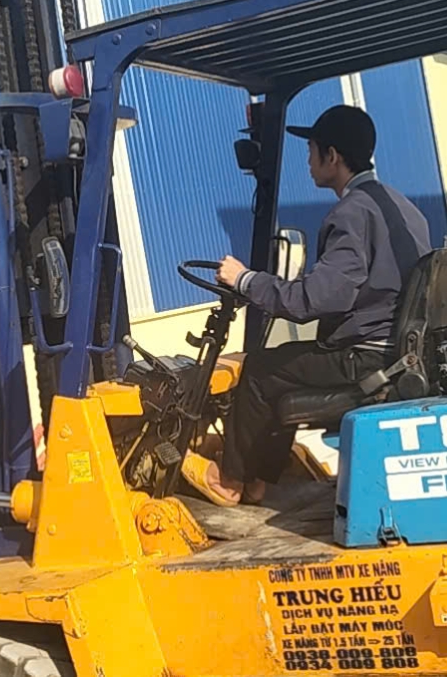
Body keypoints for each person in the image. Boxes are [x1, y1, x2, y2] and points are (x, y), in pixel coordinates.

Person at [181, 104, 432, 507]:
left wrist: (244, 280)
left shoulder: (351, 213)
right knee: (285, 365)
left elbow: (317, 299)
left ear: (332, 156)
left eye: (311, 151)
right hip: (395, 350)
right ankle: (257, 483)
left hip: (364, 356)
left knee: (259, 371)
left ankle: (230, 481)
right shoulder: (404, 207)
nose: (307, 161)